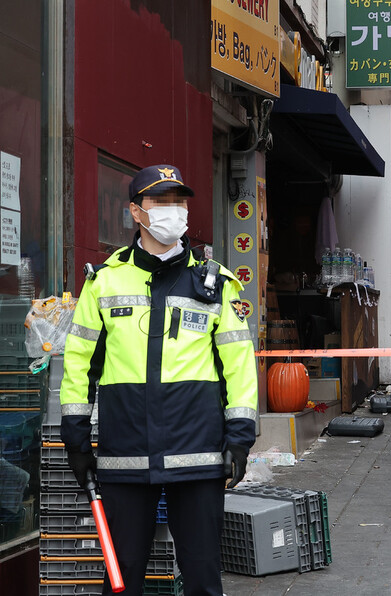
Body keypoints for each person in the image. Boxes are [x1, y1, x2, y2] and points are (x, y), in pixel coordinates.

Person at [59, 164, 258, 596]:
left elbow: (239, 364)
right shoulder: (104, 282)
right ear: (136, 212)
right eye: (160, 202)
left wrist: (240, 437)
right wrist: (75, 436)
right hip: (125, 455)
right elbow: (80, 362)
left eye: (179, 201)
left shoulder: (217, 284)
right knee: (123, 576)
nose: (173, 211)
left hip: (198, 455)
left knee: (203, 577)